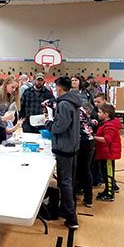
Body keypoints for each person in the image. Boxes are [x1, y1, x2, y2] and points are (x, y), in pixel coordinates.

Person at [45, 76, 81, 229]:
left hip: (64, 147)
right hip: (72, 146)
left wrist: (48, 123)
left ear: (59, 88)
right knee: (68, 181)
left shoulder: (65, 104)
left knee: (65, 182)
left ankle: (72, 218)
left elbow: (60, 126)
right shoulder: (73, 101)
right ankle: (67, 210)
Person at [94, 104, 122, 202]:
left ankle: (110, 194)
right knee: (105, 173)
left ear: (106, 114)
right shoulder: (106, 123)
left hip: (109, 154)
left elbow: (106, 139)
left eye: (100, 112)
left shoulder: (109, 125)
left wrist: (93, 137)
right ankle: (107, 190)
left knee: (108, 174)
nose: (98, 114)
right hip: (105, 152)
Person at [75, 103, 95, 208]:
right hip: (90, 142)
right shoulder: (82, 111)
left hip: (81, 142)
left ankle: (73, 198)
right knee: (85, 170)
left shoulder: (75, 111)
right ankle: (88, 199)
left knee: (78, 170)